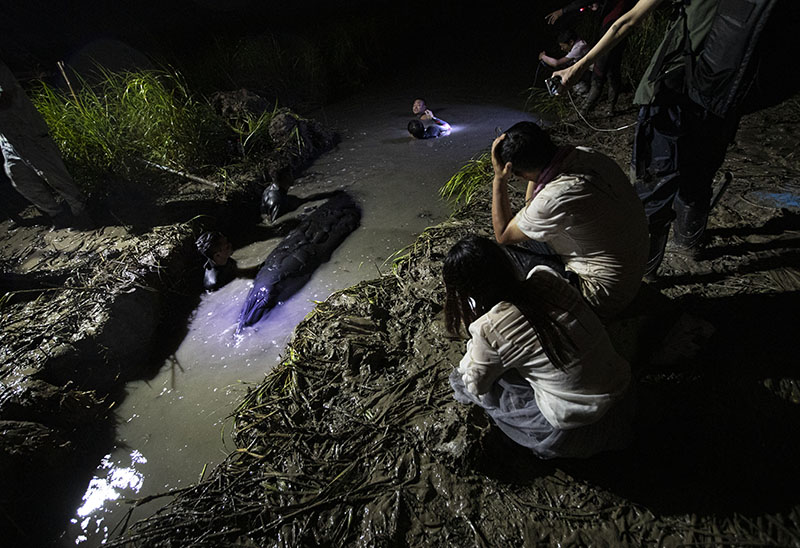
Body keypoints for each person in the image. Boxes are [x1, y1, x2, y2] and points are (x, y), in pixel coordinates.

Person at [554, 0, 780, 278]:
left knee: (654, 183)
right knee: (701, 169)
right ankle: (689, 243)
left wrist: (579, 67)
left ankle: (645, 274)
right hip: (724, 93)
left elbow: (626, 21)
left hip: (673, 89)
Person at [444, 235, 633, 459]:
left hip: (578, 430)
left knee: (488, 379)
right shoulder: (546, 277)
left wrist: (472, 352)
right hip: (624, 395)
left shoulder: (488, 328)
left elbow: (476, 387)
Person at [491, 121, 648, 319]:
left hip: (601, 294)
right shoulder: (586, 155)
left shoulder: (556, 196)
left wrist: (499, 178)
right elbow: (532, 205)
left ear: (516, 171)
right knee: (527, 231)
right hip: (630, 272)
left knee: (503, 253)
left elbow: (502, 234)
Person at [0, 59, 91, 229]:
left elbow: (6, 98)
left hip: (26, 129)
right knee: (19, 178)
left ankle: (82, 210)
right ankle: (57, 213)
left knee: (52, 173)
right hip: (7, 139)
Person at [546, 0, 635, 116]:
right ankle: (610, 108)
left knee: (599, 75)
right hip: (621, 34)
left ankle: (583, 112)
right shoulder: (619, 8)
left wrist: (562, 11)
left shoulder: (614, 12)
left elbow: (584, 1)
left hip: (611, 33)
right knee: (613, 71)